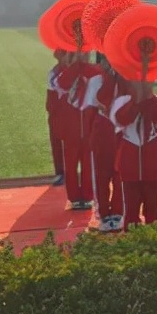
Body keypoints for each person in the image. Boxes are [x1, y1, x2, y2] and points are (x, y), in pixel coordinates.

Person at [110, 78, 157, 230]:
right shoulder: (121, 102)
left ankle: (155, 240)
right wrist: (137, 101)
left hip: (153, 162)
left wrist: (149, 97)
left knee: (153, 205)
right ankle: (132, 242)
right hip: (130, 162)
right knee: (131, 208)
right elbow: (121, 119)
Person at [82, 55, 123, 232]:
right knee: (102, 175)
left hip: (119, 131)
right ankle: (106, 214)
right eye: (107, 60)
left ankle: (117, 213)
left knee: (119, 175)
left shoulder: (126, 80)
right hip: (105, 131)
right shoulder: (97, 81)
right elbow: (89, 110)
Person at [56, 52, 98, 211]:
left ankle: (87, 196)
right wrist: (75, 68)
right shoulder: (65, 74)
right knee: (71, 164)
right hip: (71, 128)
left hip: (89, 127)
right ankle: (74, 197)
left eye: (86, 55)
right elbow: (62, 84)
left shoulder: (94, 72)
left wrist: (86, 68)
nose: (83, 58)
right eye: (79, 55)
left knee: (88, 163)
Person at [46, 49, 69, 186]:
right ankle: (60, 173)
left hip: (69, 114)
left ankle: (69, 173)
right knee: (56, 143)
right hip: (55, 113)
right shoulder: (53, 71)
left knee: (70, 146)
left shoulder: (70, 71)